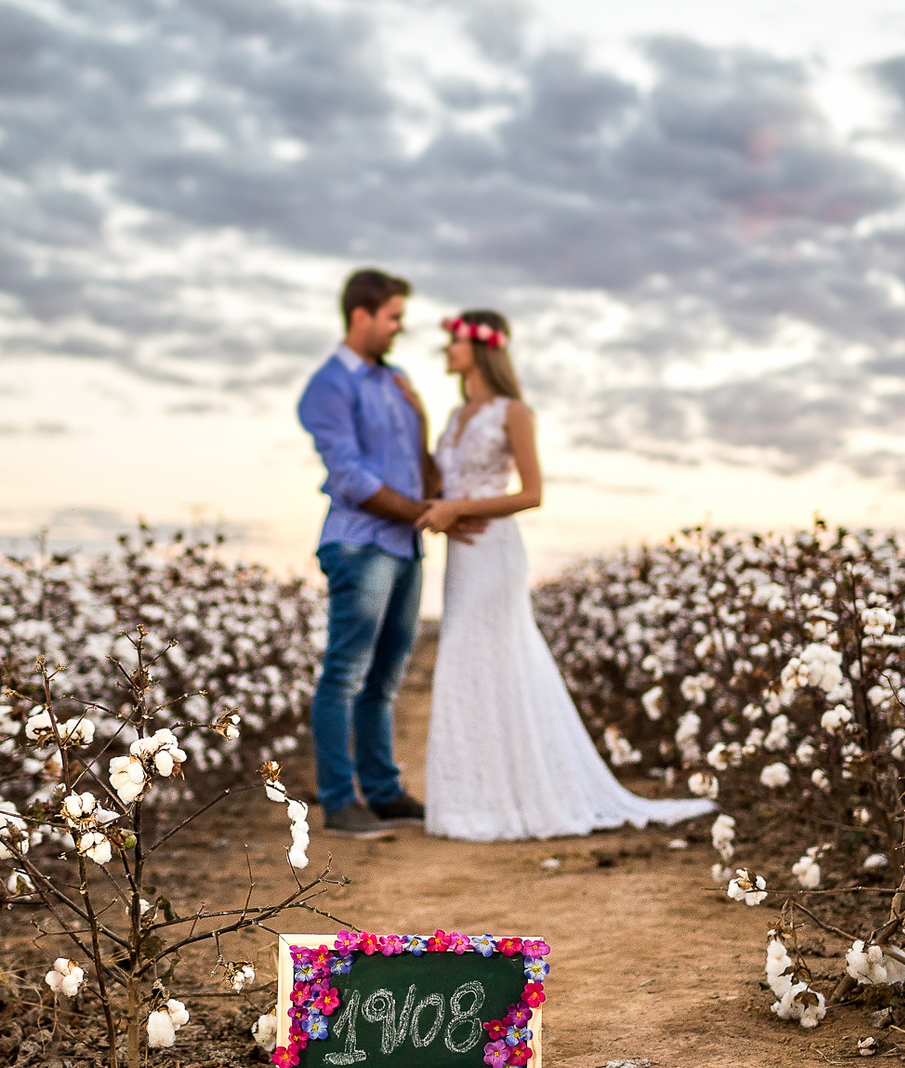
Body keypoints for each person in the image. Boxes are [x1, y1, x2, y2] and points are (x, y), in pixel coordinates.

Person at [418, 309, 717, 841]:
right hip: (461, 555)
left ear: (481, 348)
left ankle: (509, 800)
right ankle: (472, 798)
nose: (447, 350)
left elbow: (532, 493)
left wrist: (460, 509)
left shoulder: (513, 412)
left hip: (495, 551)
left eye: (454, 342)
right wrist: (442, 504)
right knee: (465, 659)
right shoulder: (456, 415)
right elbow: (441, 482)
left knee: (487, 652)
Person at [298, 270, 485, 835]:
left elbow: (423, 469)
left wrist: (424, 418)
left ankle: (382, 791)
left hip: (403, 545)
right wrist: (423, 514)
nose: (400, 328)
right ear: (361, 316)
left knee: (384, 678)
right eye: (393, 317)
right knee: (345, 674)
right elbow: (350, 476)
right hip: (359, 543)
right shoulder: (328, 386)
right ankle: (338, 801)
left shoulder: (398, 380)